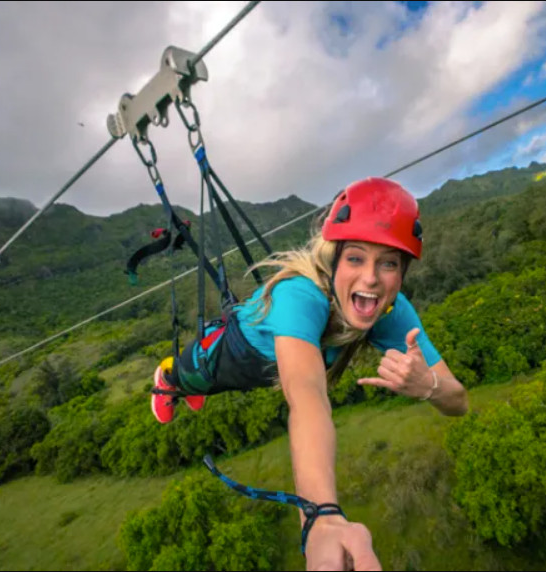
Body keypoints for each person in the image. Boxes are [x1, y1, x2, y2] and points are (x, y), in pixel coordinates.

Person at [152, 177, 469, 570]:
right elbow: (307, 396)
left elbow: (459, 401)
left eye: (388, 263)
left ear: (402, 272)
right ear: (333, 258)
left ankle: (185, 386)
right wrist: (321, 515)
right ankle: (166, 383)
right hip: (236, 350)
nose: (371, 278)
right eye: (355, 258)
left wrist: (429, 386)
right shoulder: (300, 294)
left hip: (270, 371)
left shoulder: (391, 310)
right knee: (192, 374)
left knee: (220, 384)